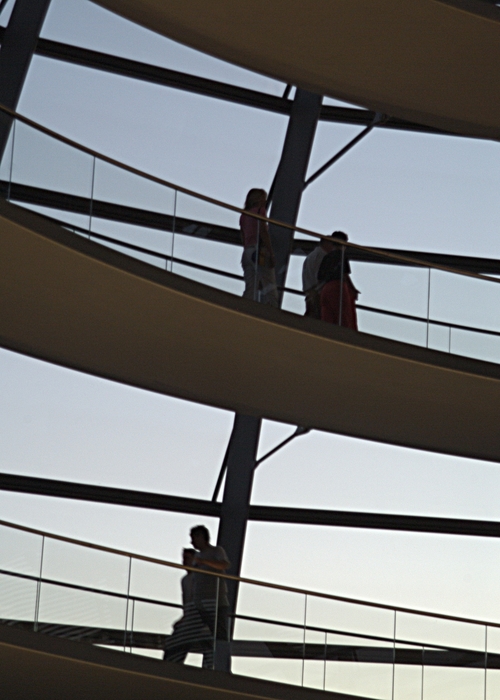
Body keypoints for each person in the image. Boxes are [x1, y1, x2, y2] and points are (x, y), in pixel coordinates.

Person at [163, 548, 214, 667]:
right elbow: (187, 604)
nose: (184, 561)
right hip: (193, 619)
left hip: (200, 619)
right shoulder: (185, 580)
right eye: (183, 558)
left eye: (187, 558)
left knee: (204, 643)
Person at [190, 525, 231, 649]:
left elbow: (224, 565)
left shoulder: (216, 551)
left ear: (201, 537)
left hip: (216, 602)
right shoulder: (197, 557)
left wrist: (204, 562)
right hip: (200, 603)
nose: (192, 542)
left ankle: (221, 664)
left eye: (194, 538)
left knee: (220, 636)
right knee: (202, 636)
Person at [239, 188, 279, 307]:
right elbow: (262, 232)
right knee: (270, 286)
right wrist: (271, 253)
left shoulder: (243, 215)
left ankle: (243, 308)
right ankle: (271, 312)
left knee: (250, 287)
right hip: (259, 252)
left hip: (247, 252)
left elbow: (243, 237)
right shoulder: (260, 211)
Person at [318, 231, 360, 330]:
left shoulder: (326, 257)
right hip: (338, 287)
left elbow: (320, 277)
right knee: (344, 319)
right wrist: (353, 289)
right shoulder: (341, 255)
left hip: (325, 289)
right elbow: (345, 274)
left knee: (328, 318)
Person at [302, 236, 335, 318]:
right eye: (332, 244)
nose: (333, 247)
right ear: (326, 243)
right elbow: (319, 277)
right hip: (317, 294)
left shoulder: (311, 255)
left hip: (309, 293)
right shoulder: (323, 256)